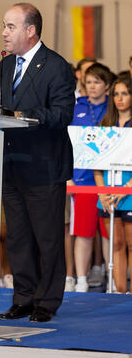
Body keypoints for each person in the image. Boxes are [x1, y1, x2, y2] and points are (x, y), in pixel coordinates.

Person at [0, 3, 75, 322]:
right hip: (10, 165)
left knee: (47, 238)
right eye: (4, 26)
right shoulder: (6, 66)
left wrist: (23, 115)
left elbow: (63, 114)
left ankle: (46, 301)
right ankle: (23, 297)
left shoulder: (56, 66)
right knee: (18, 237)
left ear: (30, 30)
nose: (4, 33)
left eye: (10, 26)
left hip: (44, 166)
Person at [70, 63, 112, 292]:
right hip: (82, 180)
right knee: (83, 232)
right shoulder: (76, 108)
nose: (92, 86)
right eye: (88, 82)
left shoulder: (114, 107)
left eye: (97, 81)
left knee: (108, 233)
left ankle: (111, 278)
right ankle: (81, 280)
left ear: (106, 85)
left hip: (108, 181)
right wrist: (69, 177)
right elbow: (66, 143)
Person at [94, 77, 132, 293]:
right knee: (115, 245)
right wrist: (101, 192)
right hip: (108, 196)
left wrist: (126, 187)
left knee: (131, 245)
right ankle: (119, 292)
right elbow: (95, 163)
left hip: (129, 194)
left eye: (125, 93)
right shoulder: (104, 126)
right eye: (116, 94)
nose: (119, 98)